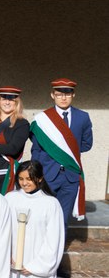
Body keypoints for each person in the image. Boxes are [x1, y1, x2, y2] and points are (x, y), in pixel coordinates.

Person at [30, 78, 93, 225]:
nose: (63, 98)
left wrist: (67, 154)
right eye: (59, 94)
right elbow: (36, 150)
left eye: (67, 93)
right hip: (47, 174)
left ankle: (60, 241)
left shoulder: (83, 117)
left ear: (73, 95)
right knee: (43, 217)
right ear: (52, 95)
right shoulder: (42, 119)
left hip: (71, 176)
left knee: (63, 220)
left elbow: (87, 144)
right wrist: (36, 173)